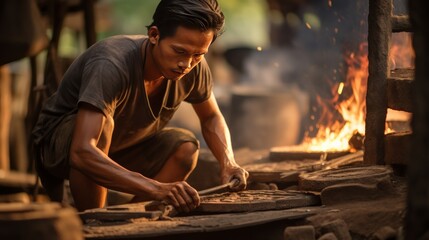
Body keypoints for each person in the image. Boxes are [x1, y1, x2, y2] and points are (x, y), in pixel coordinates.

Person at [32, 0, 249, 212]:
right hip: (61, 148)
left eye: (198, 55)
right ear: (154, 35)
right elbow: (82, 151)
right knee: (103, 129)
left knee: (185, 148)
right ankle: (97, 223)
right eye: (179, 51)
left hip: (121, 146)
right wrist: (157, 188)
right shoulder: (111, 63)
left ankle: (133, 216)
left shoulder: (194, 66)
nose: (187, 64)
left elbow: (211, 118)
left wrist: (228, 162)